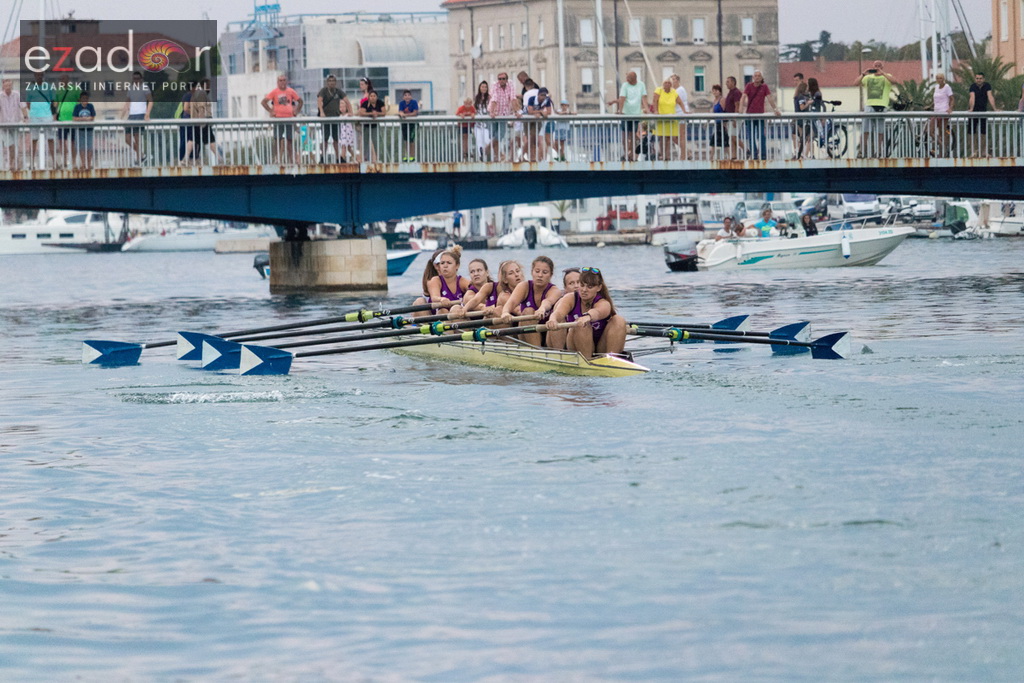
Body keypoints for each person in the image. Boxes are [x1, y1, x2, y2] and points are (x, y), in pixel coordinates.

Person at [547, 266, 627, 359]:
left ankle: (613, 359)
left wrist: (587, 317)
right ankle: (587, 362)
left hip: (600, 347)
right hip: (575, 346)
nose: (584, 290)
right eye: (582, 285)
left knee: (619, 320)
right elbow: (559, 313)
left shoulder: (604, 303)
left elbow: (596, 312)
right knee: (581, 325)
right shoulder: (570, 298)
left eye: (590, 287)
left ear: (599, 288)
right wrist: (552, 319)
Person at [500, 255, 562, 346]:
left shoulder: (555, 290)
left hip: (548, 334)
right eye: (537, 271)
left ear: (551, 275)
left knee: (560, 317)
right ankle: (537, 351)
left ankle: (557, 352)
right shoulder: (524, 286)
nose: (540, 275)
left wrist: (542, 309)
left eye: (545, 272)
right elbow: (511, 303)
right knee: (528, 311)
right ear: (532, 272)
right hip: (526, 333)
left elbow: (547, 302)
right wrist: (505, 312)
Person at [855, 60, 894, 158]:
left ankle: (879, 151)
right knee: (865, 129)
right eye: (875, 66)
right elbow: (855, 83)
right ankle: (862, 150)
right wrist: (863, 74)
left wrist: (883, 73)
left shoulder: (886, 76)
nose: (877, 67)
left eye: (879, 66)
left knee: (880, 130)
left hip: (882, 105)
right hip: (870, 104)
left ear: (882, 67)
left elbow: (894, 81)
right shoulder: (868, 78)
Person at [262, 74, 303, 164]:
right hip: (278, 119)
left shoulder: (291, 91)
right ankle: (276, 159)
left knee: (290, 140)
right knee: (277, 139)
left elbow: (300, 101)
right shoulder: (274, 92)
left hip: (289, 119)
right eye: (280, 80)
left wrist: (296, 111)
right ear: (277, 82)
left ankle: (292, 159)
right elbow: (264, 102)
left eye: (284, 80)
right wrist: (270, 111)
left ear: (286, 81)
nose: (282, 82)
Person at [740, 70, 780, 160]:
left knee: (762, 135)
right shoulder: (749, 86)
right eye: (755, 75)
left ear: (761, 78)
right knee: (751, 136)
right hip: (750, 115)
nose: (757, 77)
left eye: (759, 75)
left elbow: (770, 98)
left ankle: (763, 154)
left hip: (760, 115)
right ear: (753, 77)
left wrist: (775, 109)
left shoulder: (764, 87)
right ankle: (754, 154)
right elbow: (743, 96)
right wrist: (740, 110)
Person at [610, 70, 649, 161]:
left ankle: (632, 153)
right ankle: (626, 152)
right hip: (626, 113)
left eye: (629, 78)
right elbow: (622, 98)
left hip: (636, 114)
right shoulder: (625, 85)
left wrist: (647, 110)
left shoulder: (641, 85)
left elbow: (644, 98)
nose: (627, 80)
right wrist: (620, 111)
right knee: (625, 134)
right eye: (627, 78)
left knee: (633, 134)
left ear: (634, 78)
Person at [545, 268, 582, 350]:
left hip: (578, 340)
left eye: (579, 282)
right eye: (571, 283)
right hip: (559, 342)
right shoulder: (561, 302)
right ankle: (559, 353)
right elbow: (556, 315)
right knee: (559, 320)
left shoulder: (590, 299)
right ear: (565, 288)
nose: (576, 286)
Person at [121, 71, 152, 165]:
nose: (136, 80)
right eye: (134, 79)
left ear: (141, 79)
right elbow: (127, 103)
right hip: (132, 115)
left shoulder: (145, 88)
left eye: (138, 78)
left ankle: (139, 158)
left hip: (140, 114)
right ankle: (142, 154)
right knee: (127, 138)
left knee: (137, 137)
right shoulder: (130, 89)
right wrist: (122, 116)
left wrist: (147, 113)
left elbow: (150, 101)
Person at [653, 79, 686, 161]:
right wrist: (656, 111)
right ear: (663, 84)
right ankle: (663, 155)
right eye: (665, 83)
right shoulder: (659, 90)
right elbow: (654, 101)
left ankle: (668, 155)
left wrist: (684, 111)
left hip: (671, 117)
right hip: (662, 117)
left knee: (670, 137)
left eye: (669, 83)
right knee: (662, 137)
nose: (667, 84)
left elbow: (680, 102)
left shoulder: (674, 92)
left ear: (671, 84)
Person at [187, 78, 217, 165]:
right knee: (210, 141)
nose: (209, 88)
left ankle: (190, 159)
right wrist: (202, 122)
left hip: (199, 122)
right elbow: (201, 108)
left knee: (194, 141)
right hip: (201, 122)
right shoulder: (201, 93)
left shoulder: (199, 93)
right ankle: (220, 159)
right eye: (208, 86)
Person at [54, 74, 81, 168]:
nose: (62, 80)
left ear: (68, 79)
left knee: (73, 142)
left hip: (73, 120)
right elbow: (55, 105)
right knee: (62, 142)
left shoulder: (75, 89)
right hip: (62, 120)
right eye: (60, 79)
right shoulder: (58, 91)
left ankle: (73, 162)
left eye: (63, 78)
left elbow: (81, 102)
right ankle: (64, 161)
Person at [968, 72, 998, 157]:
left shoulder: (987, 86)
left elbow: (990, 96)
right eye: (977, 78)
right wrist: (971, 108)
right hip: (973, 112)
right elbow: (972, 97)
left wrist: (994, 108)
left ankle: (983, 151)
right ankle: (973, 151)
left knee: (983, 132)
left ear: (983, 79)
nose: (979, 80)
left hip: (983, 111)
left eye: (980, 78)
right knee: (971, 132)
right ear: (975, 79)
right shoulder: (973, 86)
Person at [0, 78, 27, 171]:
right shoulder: (0, 96)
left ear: (12, 86)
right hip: (4, 125)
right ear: (3, 86)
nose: (8, 87)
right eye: (6, 85)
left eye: (9, 85)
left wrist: (26, 117)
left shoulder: (17, 94)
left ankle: (14, 162)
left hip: (15, 124)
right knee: (10, 144)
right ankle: (13, 163)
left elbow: (23, 106)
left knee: (15, 145)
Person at [317, 74, 345, 162]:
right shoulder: (323, 91)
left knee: (336, 139)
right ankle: (322, 157)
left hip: (335, 118)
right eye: (330, 81)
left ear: (335, 82)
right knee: (325, 139)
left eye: (333, 81)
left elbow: (346, 99)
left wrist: (350, 111)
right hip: (326, 119)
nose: (331, 83)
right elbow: (319, 100)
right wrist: (321, 112)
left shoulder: (338, 91)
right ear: (327, 82)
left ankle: (338, 157)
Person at [359, 90, 386, 163]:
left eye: (374, 96)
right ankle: (363, 158)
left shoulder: (380, 103)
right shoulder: (365, 103)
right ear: (369, 97)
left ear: (377, 97)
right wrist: (371, 114)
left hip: (375, 125)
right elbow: (361, 112)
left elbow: (384, 112)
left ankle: (378, 158)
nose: (373, 97)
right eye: (371, 96)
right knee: (365, 142)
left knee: (376, 142)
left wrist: (377, 113)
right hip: (366, 125)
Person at [71, 91, 96, 170]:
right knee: (82, 147)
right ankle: (83, 164)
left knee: (89, 147)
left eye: (86, 98)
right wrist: (84, 119)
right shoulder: (77, 107)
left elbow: (92, 117)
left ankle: (89, 164)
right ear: (80, 99)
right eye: (83, 98)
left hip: (89, 129)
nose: (85, 100)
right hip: (80, 130)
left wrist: (83, 119)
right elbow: (74, 118)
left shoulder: (90, 106)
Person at [930, 73, 953, 158]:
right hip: (936, 111)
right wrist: (930, 106)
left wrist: (950, 108)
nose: (939, 80)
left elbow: (952, 99)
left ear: (943, 79)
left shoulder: (947, 87)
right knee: (930, 131)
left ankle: (942, 153)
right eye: (938, 78)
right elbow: (935, 100)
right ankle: (941, 144)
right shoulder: (936, 87)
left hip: (944, 112)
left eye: (941, 78)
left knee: (942, 133)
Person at [670, 74, 692, 159]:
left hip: (681, 114)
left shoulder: (680, 90)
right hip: (676, 114)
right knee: (674, 137)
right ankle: (687, 152)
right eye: (672, 79)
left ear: (678, 80)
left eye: (674, 79)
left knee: (681, 135)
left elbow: (674, 101)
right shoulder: (674, 90)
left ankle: (683, 156)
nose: (673, 81)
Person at [723, 75, 745, 159]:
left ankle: (745, 149)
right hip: (731, 118)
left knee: (733, 136)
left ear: (733, 82)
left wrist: (735, 118)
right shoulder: (730, 92)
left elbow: (737, 105)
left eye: (728, 82)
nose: (726, 83)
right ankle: (734, 155)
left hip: (735, 118)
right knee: (732, 137)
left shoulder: (736, 92)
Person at [472, 81, 493, 161]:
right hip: (478, 124)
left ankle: (487, 154)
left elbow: (492, 108)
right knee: (479, 141)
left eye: (485, 87)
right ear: (479, 88)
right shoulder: (476, 98)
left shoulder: (489, 98)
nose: (484, 88)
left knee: (487, 140)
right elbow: (474, 109)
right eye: (482, 87)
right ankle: (481, 156)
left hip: (486, 124)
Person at [398, 89, 419, 162]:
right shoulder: (401, 103)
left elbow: (415, 113)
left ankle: (412, 156)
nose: (407, 97)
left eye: (408, 95)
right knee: (406, 140)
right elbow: (400, 112)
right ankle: (407, 155)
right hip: (404, 124)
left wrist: (406, 115)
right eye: (405, 95)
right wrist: (402, 114)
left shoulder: (414, 102)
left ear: (411, 96)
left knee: (411, 140)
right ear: (403, 97)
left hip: (412, 124)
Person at [792, 81, 811, 159]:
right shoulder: (801, 97)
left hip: (797, 118)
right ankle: (802, 154)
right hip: (801, 119)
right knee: (804, 137)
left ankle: (799, 153)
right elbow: (802, 107)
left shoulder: (796, 97)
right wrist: (808, 103)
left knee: (800, 137)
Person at [708, 84, 728, 159]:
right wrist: (708, 121)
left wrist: (725, 124)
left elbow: (725, 111)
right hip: (717, 123)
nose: (715, 92)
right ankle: (711, 158)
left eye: (716, 90)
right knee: (714, 141)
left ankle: (728, 157)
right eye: (713, 91)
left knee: (724, 142)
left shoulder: (722, 99)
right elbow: (712, 112)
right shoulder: (714, 101)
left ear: (719, 91)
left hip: (722, 124)